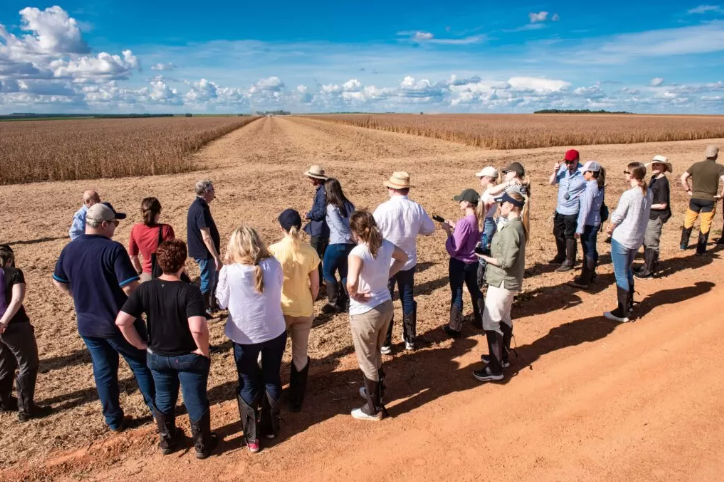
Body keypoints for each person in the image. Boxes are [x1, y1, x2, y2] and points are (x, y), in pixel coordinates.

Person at [52, 203, 155, 432]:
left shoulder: (69, 249)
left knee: (104, 370)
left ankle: (113, 419)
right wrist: (147, 305)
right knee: (141, 363)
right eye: (114, 223)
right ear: (104, 224)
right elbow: (129, 288)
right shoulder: (113, 250)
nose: (116, 228)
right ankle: (158, 410)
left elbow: (59, 281)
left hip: (88, 324)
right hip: (118, 322)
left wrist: (77, 297)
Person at [115, 240, 217, 459]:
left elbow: (122, 321)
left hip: (158, 357)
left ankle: (167, 440)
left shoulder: (146, 288)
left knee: (163, 398)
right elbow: (198, 328)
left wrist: (140, 344)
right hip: (188, 357)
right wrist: (203, 350)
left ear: (159, 262)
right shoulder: (189, 291)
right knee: (195, 399)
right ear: (182, 262)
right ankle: (202, 445)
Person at [216, 226, 286, 454]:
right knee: (272, 377)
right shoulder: (273, 264)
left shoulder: (229, 271)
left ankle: (252, 438)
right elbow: (279, 287)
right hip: (274, 330)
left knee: (247, 382)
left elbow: (221, 302)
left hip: (244, 335)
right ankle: (271, 427)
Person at [346, 211, 408, 421]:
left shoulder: (357, 253)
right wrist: (386, 275)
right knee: (375, 352)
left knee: (367, 359)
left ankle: (373, 408)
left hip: (365, 312)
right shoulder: (385, 245)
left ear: (355, 233)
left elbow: (351, 282)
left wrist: (353, 293)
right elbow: (404, 258)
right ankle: (377, 391)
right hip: (385, 306)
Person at [373, 172, 436, 353]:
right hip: (408, 261)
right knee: (407, 297)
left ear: (393, 189)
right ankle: (410, 338)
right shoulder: (416, 208)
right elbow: (430, 229)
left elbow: (374, 233)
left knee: (386, 299)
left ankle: (385, 342)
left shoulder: (383, 209)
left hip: (386, 263)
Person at [473, 191, 529, 382]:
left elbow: (506, 260)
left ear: (511, 206)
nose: (500, 206)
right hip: (507, 280)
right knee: (504, 317)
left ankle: (495, 368)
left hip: (503, 281)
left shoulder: (513, 228)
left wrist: (485, 257)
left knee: (490, 321)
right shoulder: (514, 225)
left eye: (503, 203)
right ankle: (501, 357)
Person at [268, 209, 320, 413]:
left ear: (280, 228)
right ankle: (296, 400)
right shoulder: (310, 251)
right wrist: (310, 301)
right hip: (303, 309)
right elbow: (315, 285)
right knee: (300, 354)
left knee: (273, 354)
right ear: (300, 227)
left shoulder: (272, 251)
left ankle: (272, 396)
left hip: (279, 310)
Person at [0, 245, 51, 421]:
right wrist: (4, 321)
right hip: (15, 326)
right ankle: (26, 408)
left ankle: (3, 401)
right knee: (27, 363)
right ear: (8, 260)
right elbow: (17, 299)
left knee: (5, 363)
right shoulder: (14, 273)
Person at [604, 163, 653, 323]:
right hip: (636, 239)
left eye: (626, 172)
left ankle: (622, 311)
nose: (624, 174)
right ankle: (629, 304)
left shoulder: (629, 195)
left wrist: (610, 228)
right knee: (628, 270)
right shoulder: (648, 192)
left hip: (623, 238)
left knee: (621, 274)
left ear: (631, 175)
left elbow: (618, 216)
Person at [442, 189, 484, 338]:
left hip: (459, 263)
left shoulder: (464, 222)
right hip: (473, 262)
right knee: (475, 289)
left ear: (467, 203)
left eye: (461, 200)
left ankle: (455, 327)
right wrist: (456, 227)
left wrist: (448, 232)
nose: (459, 202)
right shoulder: (478, 220)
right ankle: (481, 319)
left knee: (457, 292)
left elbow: (454, 249)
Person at [680, 145, 724, 255]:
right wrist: (721, 195)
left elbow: (683, 177)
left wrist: (688, 190)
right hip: (709, 200)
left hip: (695, 198)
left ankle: (683, 245)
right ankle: (701, 250)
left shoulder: (696, 165)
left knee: (689, 220)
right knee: (705, 224)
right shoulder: (719, 167)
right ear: (716, 155)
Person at [187, 180, 221, 317]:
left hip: (201, 251)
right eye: (213, 191)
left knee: (212, 279)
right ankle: (203, 309)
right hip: (204, 253)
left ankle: (212, 305)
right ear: (206, 192)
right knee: (207, 281)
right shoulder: (201, 210)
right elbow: (206, 237)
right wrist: (216, 257)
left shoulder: (198, 206)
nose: (214, 193)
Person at [549, 150, 587, 272]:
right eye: (567, 162)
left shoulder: (584, 172)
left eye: (572, 162)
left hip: (573, 210)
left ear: (577, 160)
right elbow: (552, 182)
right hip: (560, 208)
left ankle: (570, 261)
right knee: (557, 232)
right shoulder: (563, 169)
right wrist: (555, 171)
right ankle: (561, 255)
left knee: (570, 236)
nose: (569, 165)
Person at [321, 178, 356, 314]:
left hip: (337, 244)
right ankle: (348, 300)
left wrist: (349, 237)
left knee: (328, 272)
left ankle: (333, 302)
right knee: (345, 273)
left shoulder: (331, 207)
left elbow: (339, 227)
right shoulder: (349, 205)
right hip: (350, 246)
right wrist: (354, 240)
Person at [570, 161, 606, 289]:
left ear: (591, 173)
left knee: (588, 252)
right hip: (595, 221)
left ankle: (585, 279)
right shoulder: (599, 185)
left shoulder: (591, 187)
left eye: (585, 172)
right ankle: (591, 274)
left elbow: (585, 210)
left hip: (588, 224)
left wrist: (579, 228)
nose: (583, 174)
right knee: (592, 249)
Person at [635, 156, 672, 279]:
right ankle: (647, 265)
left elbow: (663, 205)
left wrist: (647, 205)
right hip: (650, 215)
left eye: (658, 165)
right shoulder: (654, 178)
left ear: (664, 167)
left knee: (651, 243)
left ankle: (649, 271)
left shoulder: (662, 182)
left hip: (656, 216)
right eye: (654, 165)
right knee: (646, 241)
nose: (655, 167)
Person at [129, 197, 175, 282]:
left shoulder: (135, 229)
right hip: (165, 273)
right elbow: (172, 256)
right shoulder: (166, 229)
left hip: (147, 275)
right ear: (158, 212)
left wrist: (140, 272)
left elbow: (133, 257)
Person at [303, 165, 330, 284]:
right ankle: (325, 280)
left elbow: (321, 212)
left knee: (315, 257)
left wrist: (309, 215)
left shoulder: (321, 192)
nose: (309, 179)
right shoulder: (324, 190)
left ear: (317, 179)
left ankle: (318, 282)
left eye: (311, 177)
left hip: (319, 230)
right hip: (323, 229)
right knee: (323, 256)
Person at [474, 166, 499, 287]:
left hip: (486, 223)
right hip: (488, 222)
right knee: (484, 249)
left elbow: (482, 211)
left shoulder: (490, 192)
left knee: (482, 251)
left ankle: (479, 282)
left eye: (482, 177)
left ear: (488, 178)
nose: (480, 179)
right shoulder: (493, 190)